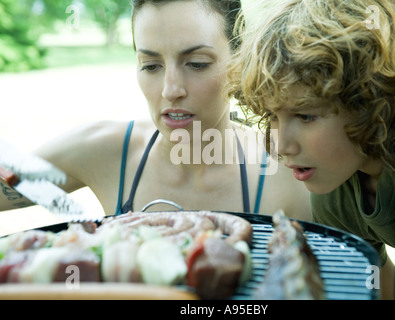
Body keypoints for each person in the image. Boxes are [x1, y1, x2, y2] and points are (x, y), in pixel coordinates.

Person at [0, 0, 311, 221]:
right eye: (150, 66)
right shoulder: (104, 151)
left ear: (239, 58)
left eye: (197, 64)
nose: (170, 89)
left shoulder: (283, 173)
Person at [227, 0, 395, 299]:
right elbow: (377, 287)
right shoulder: (334, 197)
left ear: (369, 101)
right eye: (272, 116)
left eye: (305, 115)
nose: (281, 146)